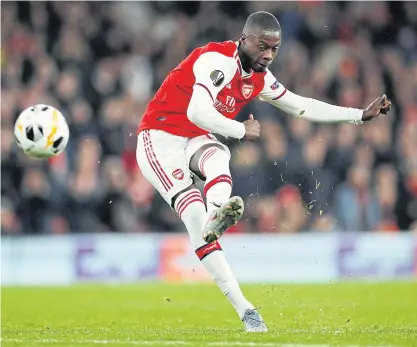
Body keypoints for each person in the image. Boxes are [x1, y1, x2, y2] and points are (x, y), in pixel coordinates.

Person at [136, 11, 392, 332]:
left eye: (275, 49)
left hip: (192, 137)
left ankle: (217, 213)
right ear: (244, 40)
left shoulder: (259, 76)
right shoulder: (217, 60)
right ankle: (245, 309)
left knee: (219, 157)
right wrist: (242, 130)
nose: (269, 55)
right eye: (263, 47)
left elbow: (300, 106)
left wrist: (358, 115)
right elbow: (197, 111)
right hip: (159, 140)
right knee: (194, 215)